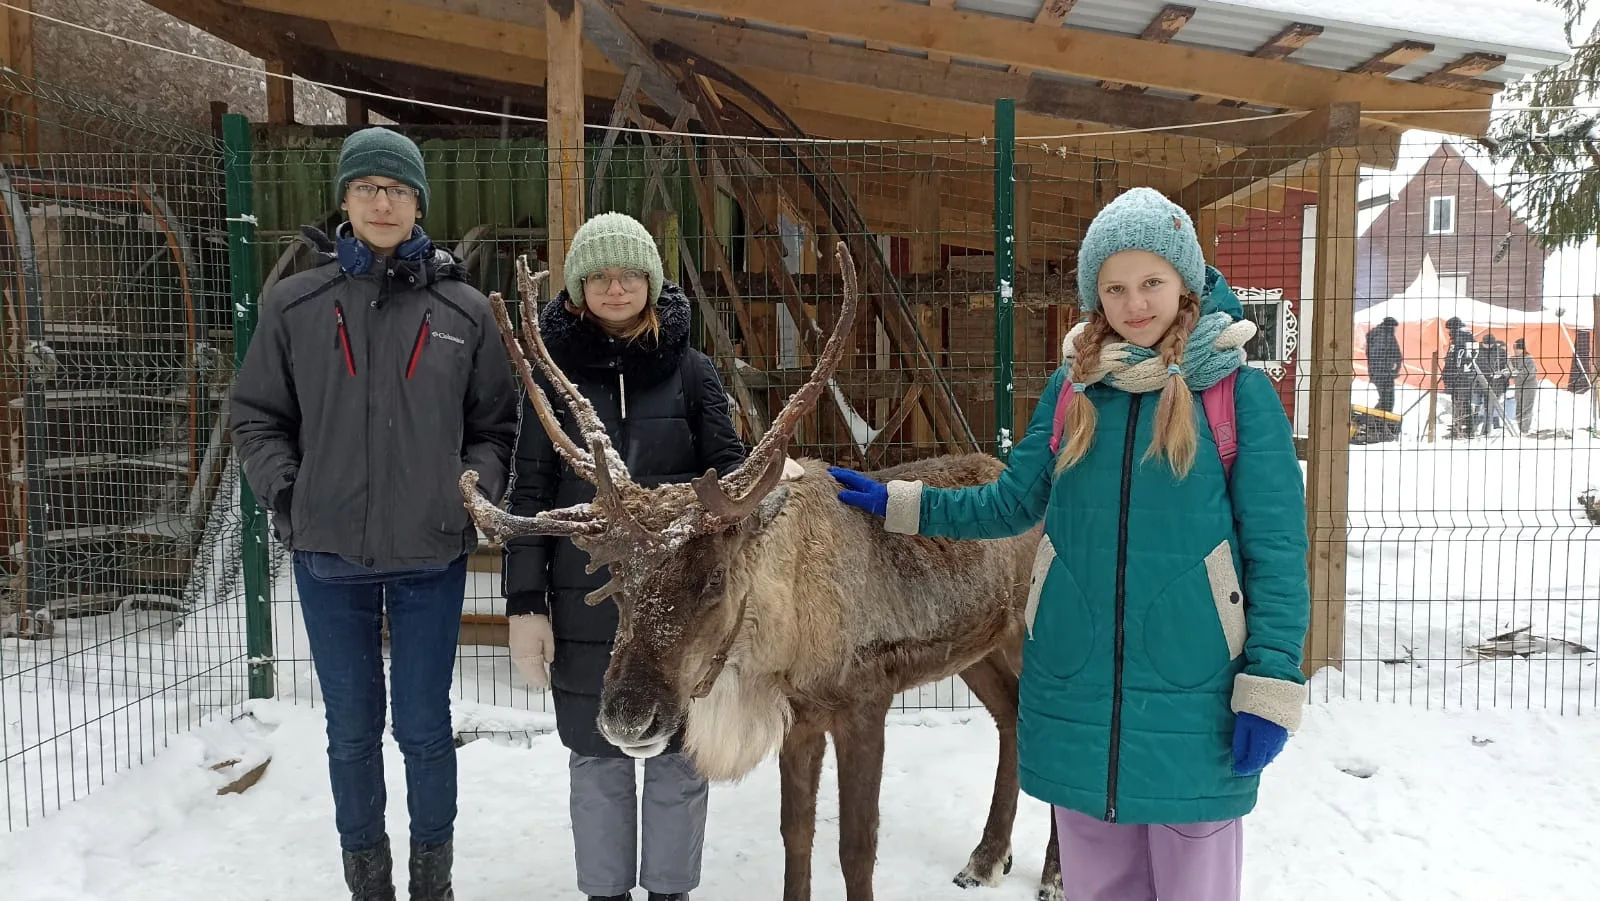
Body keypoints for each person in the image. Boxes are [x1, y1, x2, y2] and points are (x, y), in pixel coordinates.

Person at [831, 188, 1309, 901]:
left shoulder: (1236, 397)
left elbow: (1277, 554)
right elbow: (1009, 501)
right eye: (1114, 287)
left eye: (1151, 281)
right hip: (1074, 694)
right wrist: (900, 503)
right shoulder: (1073, 390)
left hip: (1194, 706)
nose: (1135, 302)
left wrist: (1269, 687)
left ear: (1185, 282)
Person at [231, 127, 518, 900]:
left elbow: (496, 425)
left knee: (424, 729)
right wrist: (289, 491)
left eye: (396, 189)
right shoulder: (295, 303)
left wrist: (472, 492)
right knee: (351, 731)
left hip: (432, 551)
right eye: (367, 188)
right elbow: (256, 415)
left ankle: (433, 881)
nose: (382, 202)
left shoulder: (464, 309)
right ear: (346, 200)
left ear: (419, 201)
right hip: (328, 555)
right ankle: (368, 881)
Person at [501, 212, 746, 901]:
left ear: (651, 282)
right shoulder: (550, 381)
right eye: (601, 276)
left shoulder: (693, 372)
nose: (616, 287)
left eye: (630, 274)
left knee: (678, 755)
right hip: (584, 599)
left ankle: (670, 890)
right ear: (579, 288)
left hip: (677, 608)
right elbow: (530, 491)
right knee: (596, 755)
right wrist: (524, 603)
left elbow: (726, 477)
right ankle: (604, 892)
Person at [1442, 318, 1479, 438]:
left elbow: (1454, 359)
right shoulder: (1470, 338)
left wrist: (1448, 375)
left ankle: (1463, 430)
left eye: (1449, 329)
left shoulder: (1459, 339)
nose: (1448, 332)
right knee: (1465, 403)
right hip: (1468, 376)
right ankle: (1465, 429)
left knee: (1460, 404)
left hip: (1458, 377)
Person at [1365, 316, 1403, 411]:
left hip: (1384, 374)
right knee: (1387, 402)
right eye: (1394, 327)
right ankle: (1377, 422)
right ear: (1390, 326)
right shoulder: (1382, 337)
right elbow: (1376, 356)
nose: (1395, 330)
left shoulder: (1385, 335)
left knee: (1386, 401)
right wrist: (1389, 368)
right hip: (1383, 375)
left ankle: (1378, 421)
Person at [1510, 337, 1539, 434]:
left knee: (1526, 407)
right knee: (1518, 407)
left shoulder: (1528, 359)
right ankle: (1519, 429)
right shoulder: (1513, 359)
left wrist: (1517, 373)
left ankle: (1525, 429)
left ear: (1522, 349)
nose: (1515, 351)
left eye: (1517, 349)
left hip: (1529, 385)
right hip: (1518, 385)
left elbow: (1529, 373)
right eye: (1514, 349)